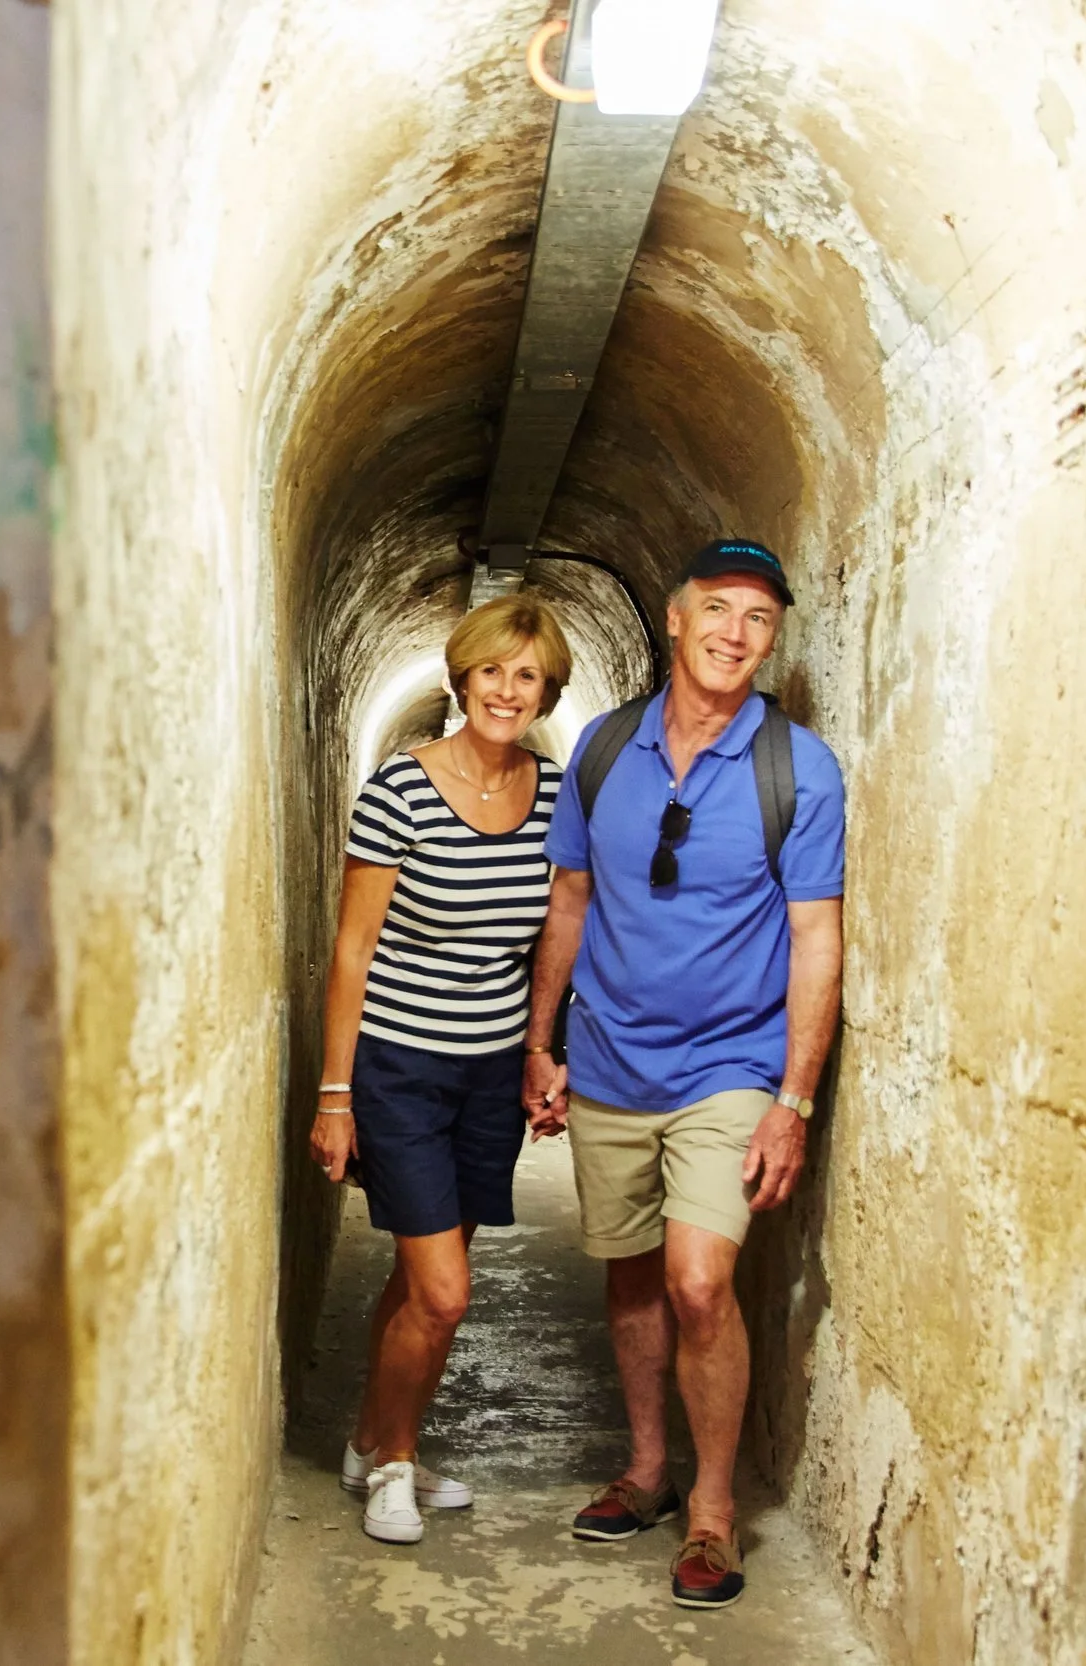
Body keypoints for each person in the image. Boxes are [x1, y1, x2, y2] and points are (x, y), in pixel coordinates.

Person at [522, 537, 845, 1610]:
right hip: (611, 1058)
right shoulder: (604, 750)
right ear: (673, 617)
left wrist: (792, 1099)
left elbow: (816, 938)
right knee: (630, 1272)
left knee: (699, 1280)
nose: (735, 634)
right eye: (717, 609)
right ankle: (647, 1469)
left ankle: (712, 1510)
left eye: (759, 619)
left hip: (731, 1066)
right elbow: (570, 900)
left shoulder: (797, 769)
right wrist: (541, 1042)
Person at [308, 594, 575, 1545]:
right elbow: (352, 951)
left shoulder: (558, 796)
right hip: (401, 1069)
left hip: (489, 1073)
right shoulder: (400, 791)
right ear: (463, 679)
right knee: (447, 1292)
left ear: (547, 692)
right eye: (492, 670)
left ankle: (371, 1439)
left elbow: (560, 930)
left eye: (527, 675)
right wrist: (335, 1095)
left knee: (424, 1280)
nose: (507, 690)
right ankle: (396, 1463)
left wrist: (544, 1052)